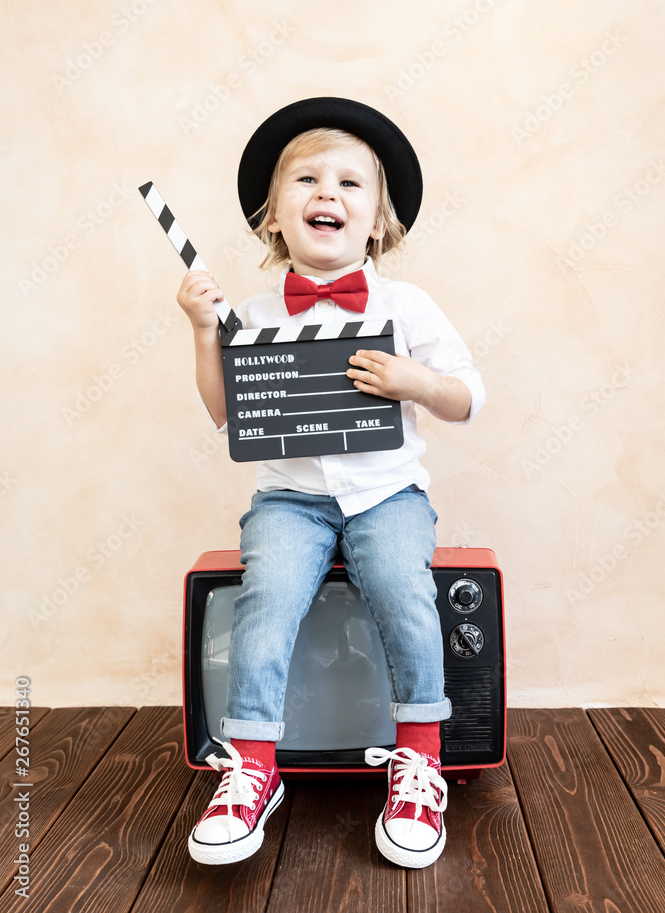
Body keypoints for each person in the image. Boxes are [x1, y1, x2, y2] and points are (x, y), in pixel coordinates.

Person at [177, 97, 485, 869]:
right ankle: (250, 764)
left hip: (388, 495)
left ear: (378, 220)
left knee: (402, 591)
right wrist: (202, 333)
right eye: (306, 179)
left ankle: (419, 761)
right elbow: (226, 420)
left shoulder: (406, 304)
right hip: (288, 500)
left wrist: (415, 379)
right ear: (272, 218)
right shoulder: (246, 311)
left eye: (350, 183)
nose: (327, 193)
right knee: (266, 599)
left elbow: (468, 398)